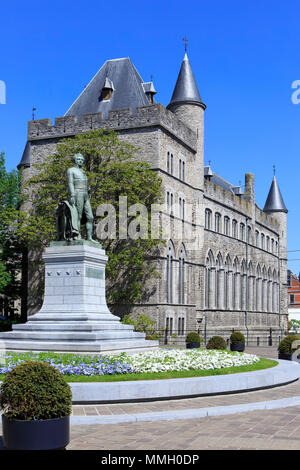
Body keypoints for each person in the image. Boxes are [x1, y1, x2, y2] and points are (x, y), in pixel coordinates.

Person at [66, 153, 94, 241]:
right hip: (77, 193)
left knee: (90, 217)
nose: (81, 161)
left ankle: (89, 237)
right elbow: (70, 183)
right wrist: (72, 195)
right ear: (74, 160)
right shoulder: (71, 170)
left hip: (85, 194)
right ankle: (77, 236)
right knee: (78, 216)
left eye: (82, 159)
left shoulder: (83, 171)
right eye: (78, 159)